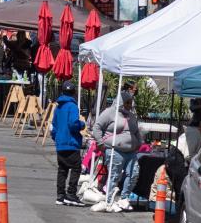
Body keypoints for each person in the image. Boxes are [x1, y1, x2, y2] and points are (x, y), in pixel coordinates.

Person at [90, 82, 142, 212]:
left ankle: (124, 198)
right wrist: (100, 143)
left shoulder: (131, 116)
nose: (130, 105)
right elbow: (97, 127)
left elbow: (136, 132)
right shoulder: (109, 112)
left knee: (133, 173)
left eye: (131, 103)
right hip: (114, 150)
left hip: (131, 151)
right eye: (127, 103)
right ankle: (109, 200)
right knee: (115, 175)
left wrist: (139, 143)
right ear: (121, 102)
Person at [51, 79, 87, 207]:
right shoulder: (72, 106)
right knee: (76, 167)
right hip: (71, 142)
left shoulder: (58, 107)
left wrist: (56, 137)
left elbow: (53, 126)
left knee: (62, 169)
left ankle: (60, 195)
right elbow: (73, 124)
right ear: (73, 93)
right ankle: (71, 194)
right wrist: (82, 125)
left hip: (60, 142)